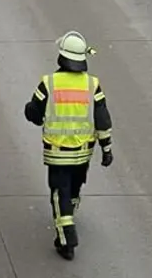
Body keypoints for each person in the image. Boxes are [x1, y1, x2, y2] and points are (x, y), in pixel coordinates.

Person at [23, 31, 113, 261]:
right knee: (73, 190)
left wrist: (31, 112)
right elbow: (103, 119)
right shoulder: (92, 84)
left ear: (61, 57)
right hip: (83, 153)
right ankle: (68, 217)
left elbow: (34, 112)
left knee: (58, 193)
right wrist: (107, 149)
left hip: (57, 152)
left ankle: (67, 239)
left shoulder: (49, 83)